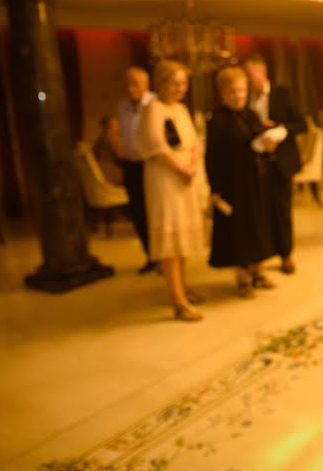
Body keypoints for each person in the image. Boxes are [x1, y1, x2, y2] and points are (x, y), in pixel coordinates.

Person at [138, 60, 206, 322]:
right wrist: (181, 168)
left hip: (184, 177)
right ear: (162, 83)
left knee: (182, 238)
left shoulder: (180, 108)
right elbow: (156, 146)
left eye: (183, 83)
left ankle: (183, 288)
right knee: (170, 240)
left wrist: (192, 165)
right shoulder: (153, 109)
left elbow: (194, 141)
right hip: (165, 179)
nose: (181, 88)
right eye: (176, 83)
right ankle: (178, 301)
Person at [206, 66, 278, 296]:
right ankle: (243, 277)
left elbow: (260, 146)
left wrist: (269, 147)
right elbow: (212, 156)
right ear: (223, 94)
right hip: (232, 184)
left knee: (258, 225)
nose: (238, 96)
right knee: (239, 229)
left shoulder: (252, 115)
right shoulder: (217, 120)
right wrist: (215, 188)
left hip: (256, 183)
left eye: (242, 91)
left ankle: (258, 270)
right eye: (232, 92)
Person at [242, 55, 307, 276]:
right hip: (255, 164)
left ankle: (285, 254)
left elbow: (301, 124)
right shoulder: (244, 99)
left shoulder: (282, 93)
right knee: (260, 211)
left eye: (251, 75)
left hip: (281, 162)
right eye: (246, 76)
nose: (249, 81)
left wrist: (278, 130)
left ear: (263, 72)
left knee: (281, 209)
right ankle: (260, 255)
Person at [118, 66, 157, 273]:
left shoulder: (155, 104)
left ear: (146, 85)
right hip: (131, 165)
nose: (131, 88)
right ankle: (150, 256)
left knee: (155, 212)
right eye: (128, 84)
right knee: (138, 213)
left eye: (136, 83)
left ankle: (162, 256)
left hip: (151, 165)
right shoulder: (122, 106)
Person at [93, 115, 123, 186]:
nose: (117, 131)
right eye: (114, 128)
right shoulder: (106, 140)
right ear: (107, 129)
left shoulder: (101, 140)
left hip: (106, 172)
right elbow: (118, 157)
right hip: (107, 173)